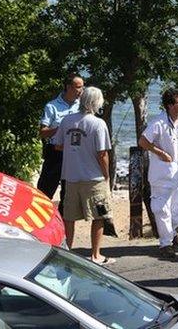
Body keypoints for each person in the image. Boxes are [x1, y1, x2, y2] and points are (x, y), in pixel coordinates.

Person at [53, 86, 115, 264]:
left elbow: (57, 144)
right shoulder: (98, 124)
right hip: (93, 178)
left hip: (71, 177)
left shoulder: (67, 121)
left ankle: (68, 253)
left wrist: (75, 150)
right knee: (99, 216)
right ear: (97, 103)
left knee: (69, 217)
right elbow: (102, 154)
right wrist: (106, 176)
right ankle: (95, 255)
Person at [139, 88, 178, 259]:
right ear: (171, 105)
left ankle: (171, 234)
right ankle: (165, 243)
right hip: (161, 174)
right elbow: (143, 141)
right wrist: (160, 153)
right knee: (162, 208)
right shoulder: (158, 123)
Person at [37, 74, 84, 213]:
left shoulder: (82, 106)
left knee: (68, 193)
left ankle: (64, 224)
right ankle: (39, 217)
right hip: (55, 152)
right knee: (45, 189)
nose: (81, 90)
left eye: (82, 86)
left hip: (74, 152)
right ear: (68, 87)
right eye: (78, 87)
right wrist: (62, 128)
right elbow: (42, 132)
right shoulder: (52, 106)